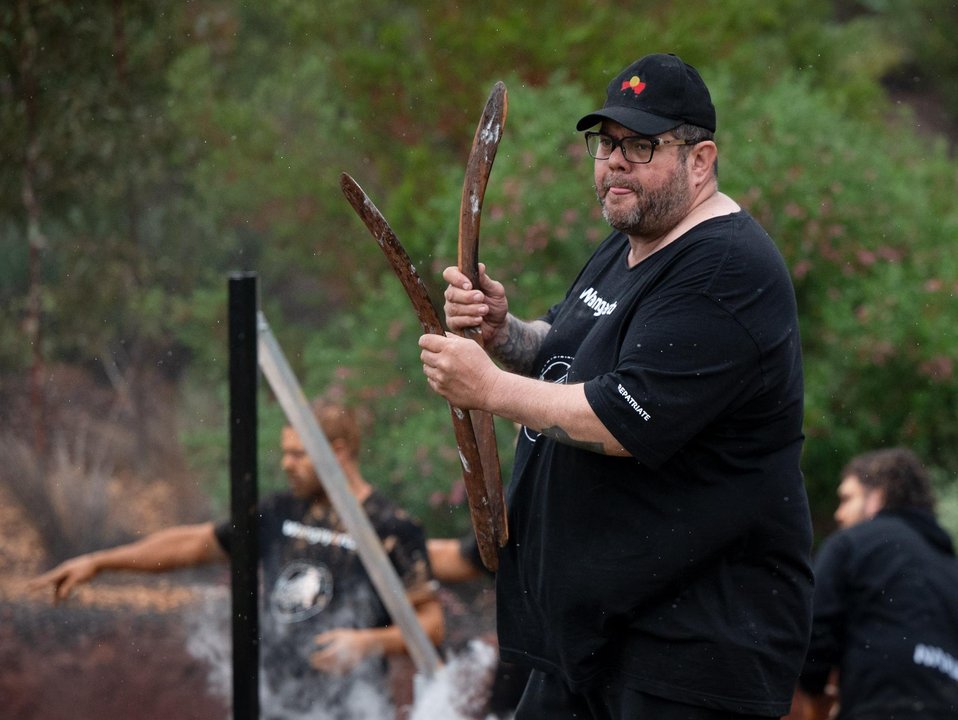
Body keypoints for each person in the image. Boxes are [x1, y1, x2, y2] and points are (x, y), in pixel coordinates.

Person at [418, 52, 813, 719]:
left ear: (700, 158)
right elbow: (568, 355)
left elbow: (622, 418)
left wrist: (488, 389)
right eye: (605, 144)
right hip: (597, 644)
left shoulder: (725, 269)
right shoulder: (630, 241)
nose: (615, 162)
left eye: (641, 144)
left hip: (689, 655)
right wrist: (501, 332)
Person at [29, 396, 444, 720]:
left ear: (337, 452)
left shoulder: (392, 527)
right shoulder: (280, 511)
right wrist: (102, 562)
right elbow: (194, 543)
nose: (286, 464)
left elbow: (432, 626)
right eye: (285, 452)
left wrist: (367, 642)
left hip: (353, 707)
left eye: (298, 454)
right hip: (272, 703)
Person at [796, 448, 958, 719]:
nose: (839, 514)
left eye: (847, 498)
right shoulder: (951, 568)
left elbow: (814, 630)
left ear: (878, 494)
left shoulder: (854, 542)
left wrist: (813, 687)